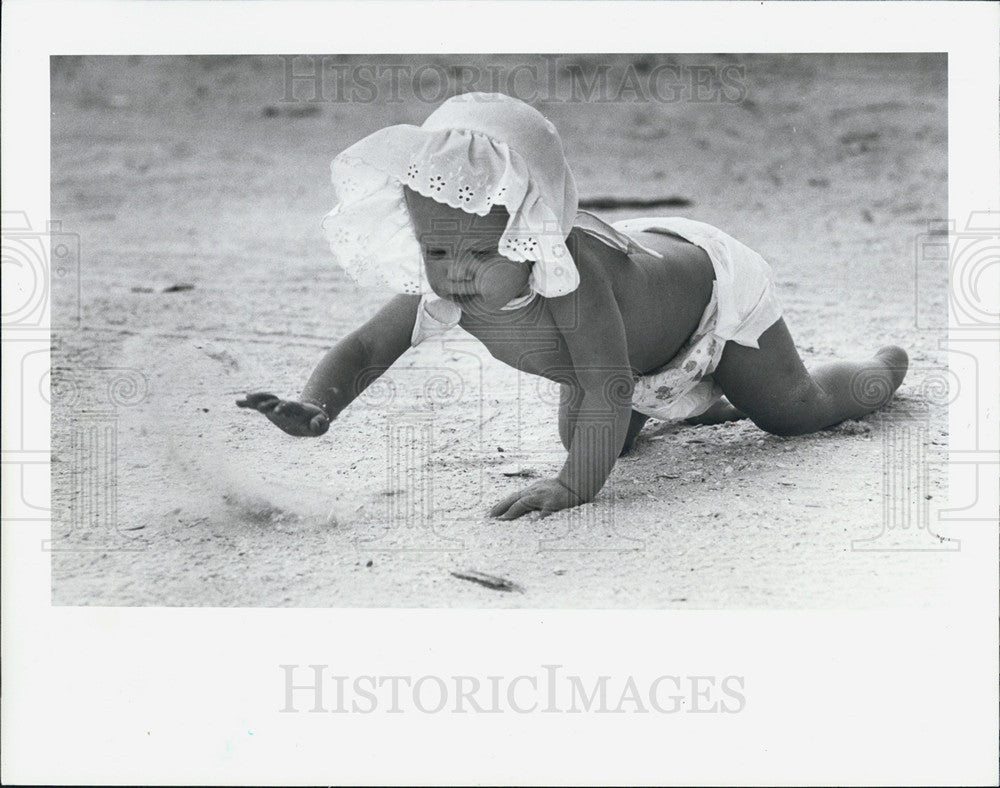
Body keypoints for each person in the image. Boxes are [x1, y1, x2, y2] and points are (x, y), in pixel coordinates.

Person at [238, 92, 908, 520]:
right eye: (437, 254)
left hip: (708, 302)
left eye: (480, 254)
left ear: (532, 233)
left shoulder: (572, 279)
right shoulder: (448, 285)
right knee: (587, 435)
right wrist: (319, 404)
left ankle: (871, 373)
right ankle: (700, 398)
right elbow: (365, 350)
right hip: (625, 355)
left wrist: (573, 488)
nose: (457, 276)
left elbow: (607, 380)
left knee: (790, 413)